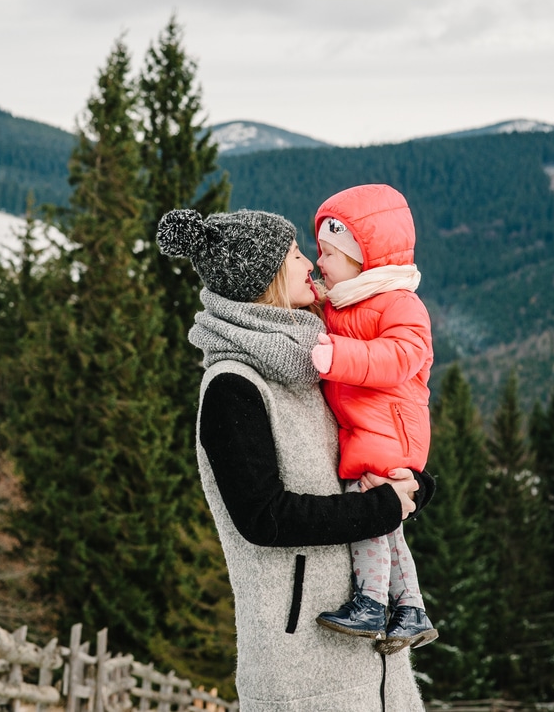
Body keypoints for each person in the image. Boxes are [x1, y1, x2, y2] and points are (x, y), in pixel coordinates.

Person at [156, 206, 433, 712]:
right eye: (295, 254)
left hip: (381, 673)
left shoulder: (312, 364)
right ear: (266, 277)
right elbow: (264, 517)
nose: (310, 262)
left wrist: (410, 485)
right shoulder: (233, 387)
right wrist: (382, 509)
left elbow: (358, 452)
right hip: (302, 671)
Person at [308, 184, 437, 654]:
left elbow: (400, 357)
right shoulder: (349, 301)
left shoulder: (401, 304)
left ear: (363, 258)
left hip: (391, 433)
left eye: (329, 253)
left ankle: (370, 603)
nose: (319, 261)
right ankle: (411, 609)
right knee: (390, 524)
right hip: (373, 429)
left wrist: (335, 355)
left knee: (368, 512)